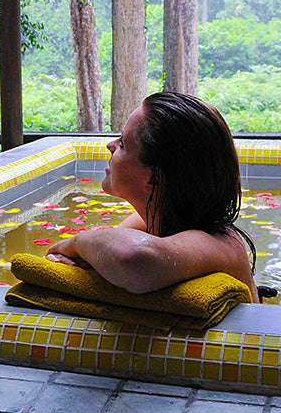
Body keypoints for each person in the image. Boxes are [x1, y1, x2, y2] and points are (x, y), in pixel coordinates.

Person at [47, 91, 259, 301]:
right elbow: (104, 254)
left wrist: (75, 242)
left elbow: (133, 259)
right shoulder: (154, 217)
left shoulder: (219, 244)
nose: (109, 146)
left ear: (154, 179)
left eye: (123, 143)